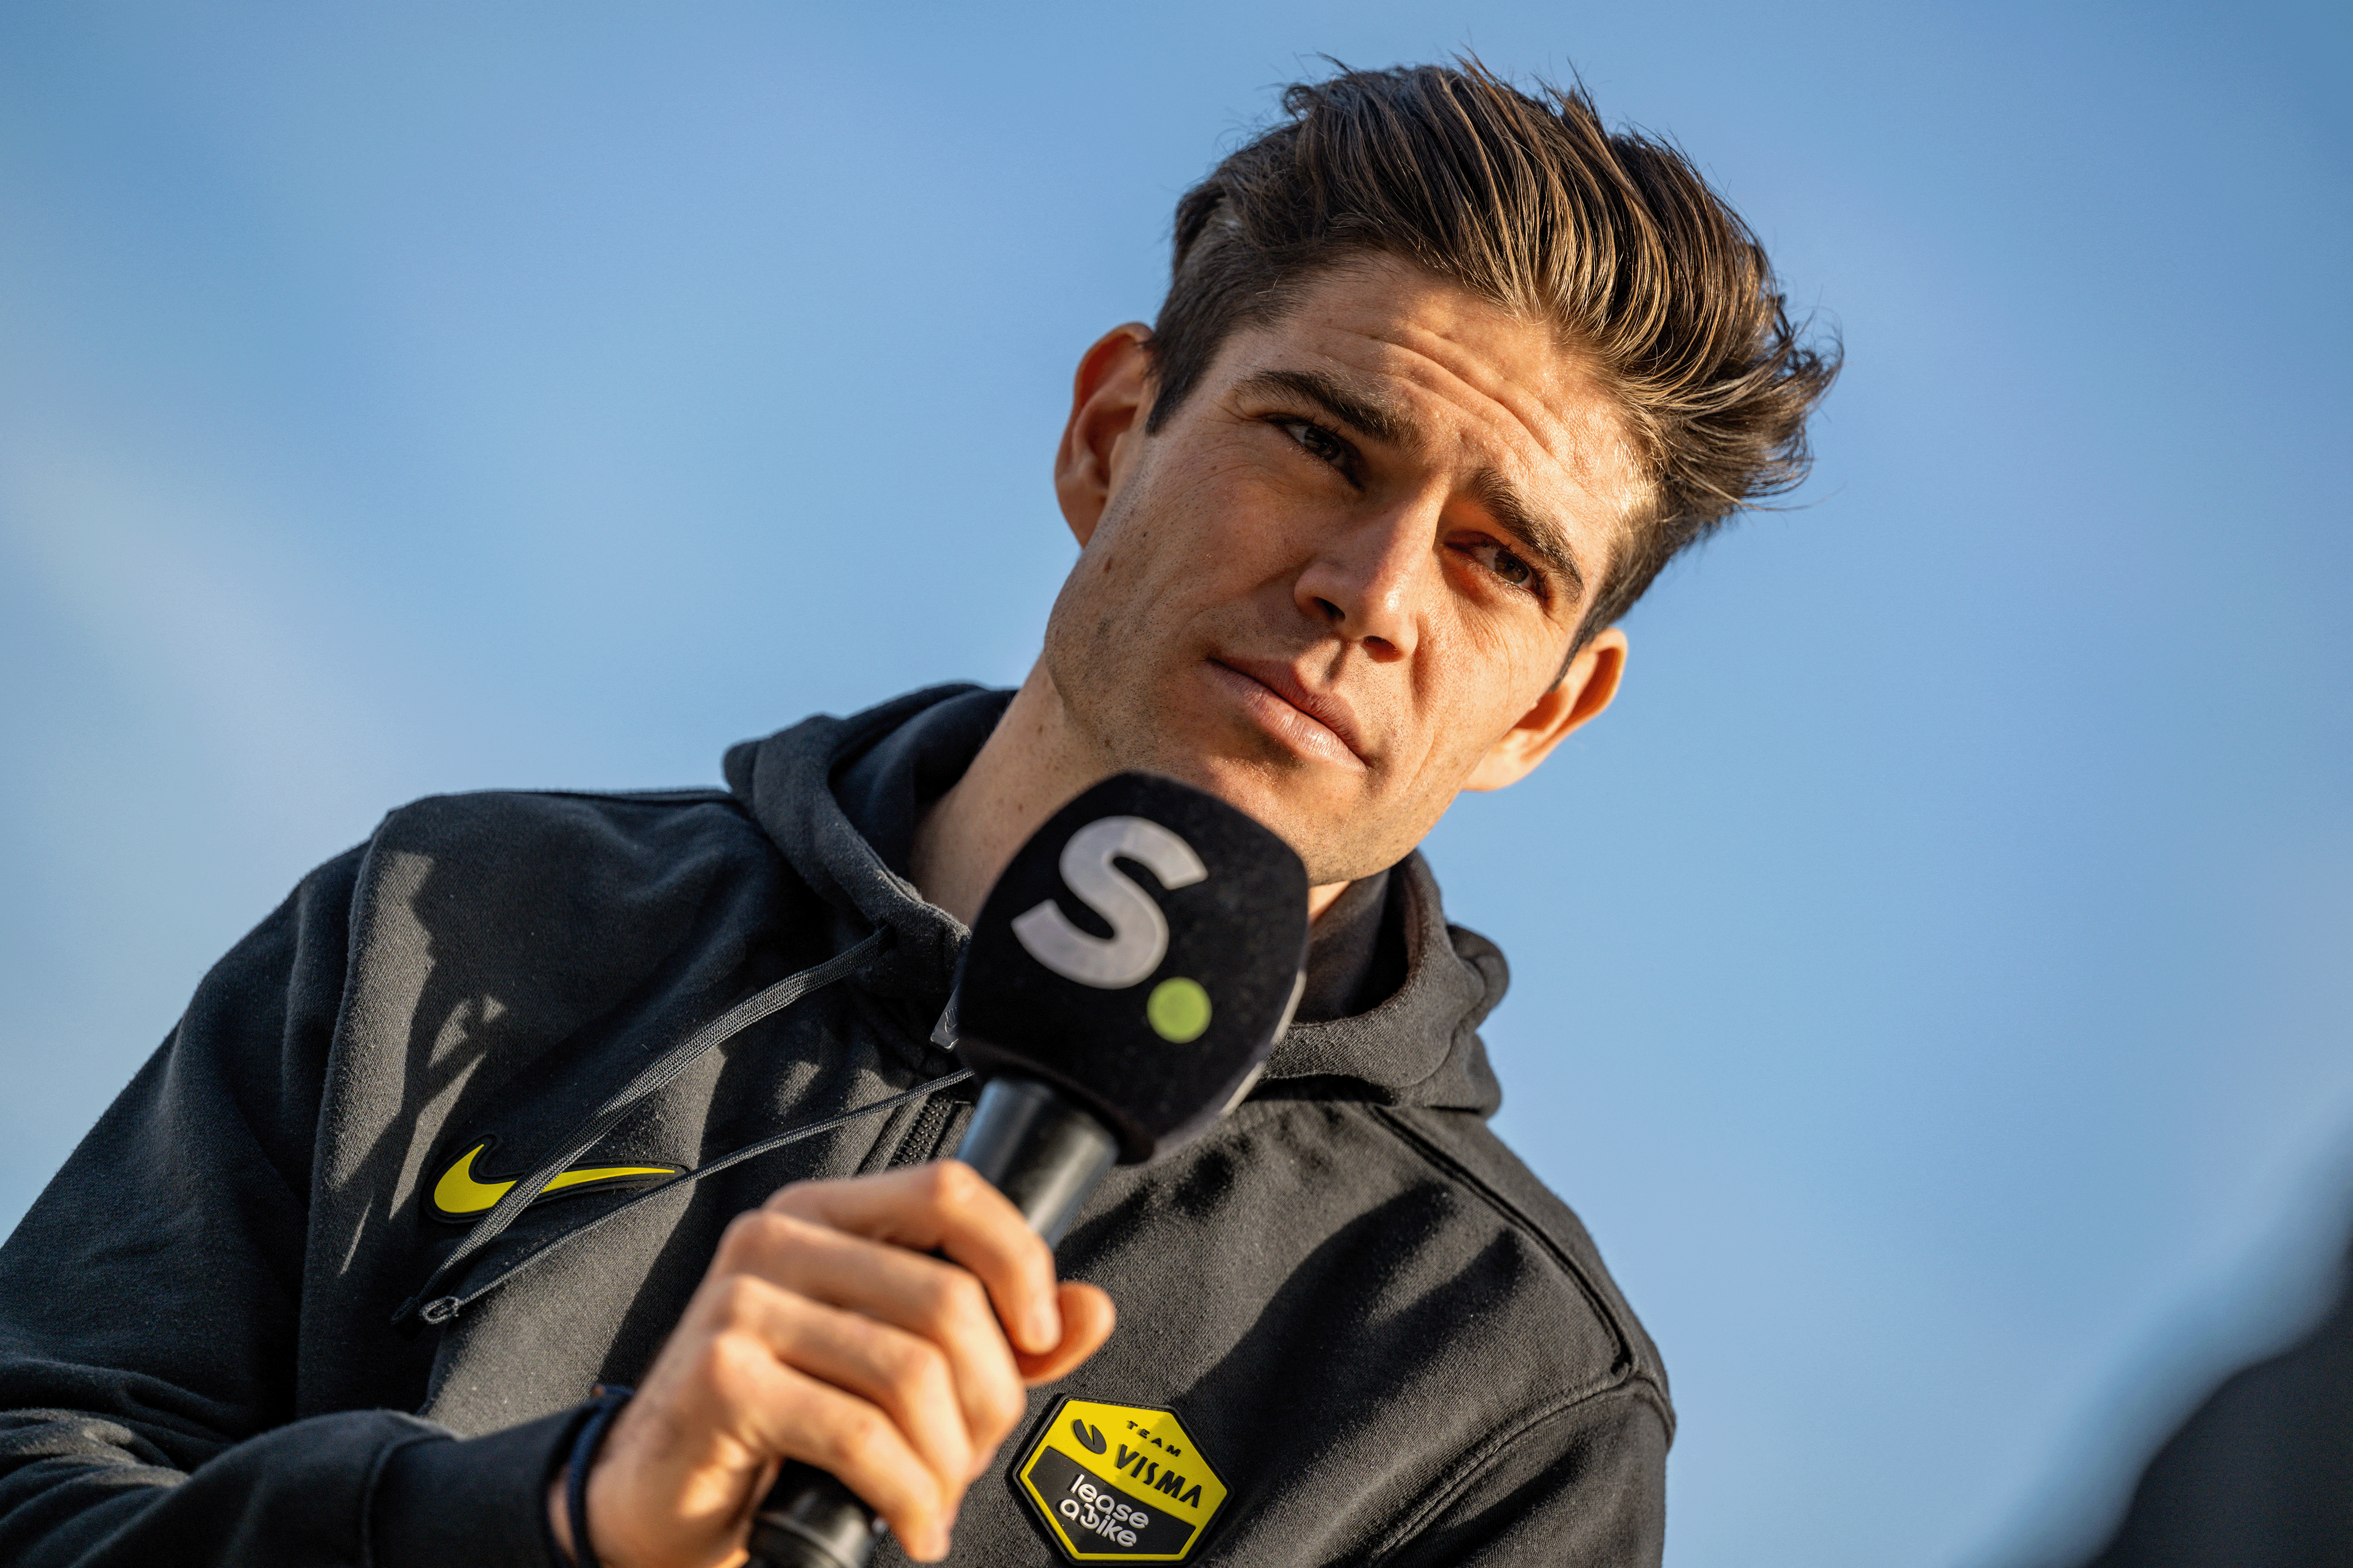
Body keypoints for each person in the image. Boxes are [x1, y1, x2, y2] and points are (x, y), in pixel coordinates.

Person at [0, 59, 1834, 1568]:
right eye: (1320, 443)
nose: (1369, 590)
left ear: (1550, 708)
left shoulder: (1500, 1396)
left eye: (1500, 560)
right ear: (1110, 435)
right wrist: (556, 1520)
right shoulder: (460, 914)